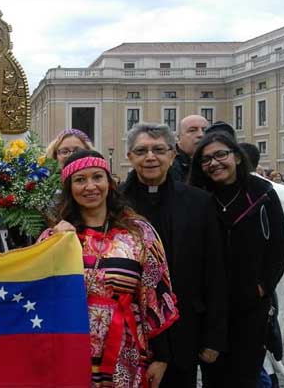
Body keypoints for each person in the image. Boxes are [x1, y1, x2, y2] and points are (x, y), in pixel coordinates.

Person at [39, 150, 178, 388]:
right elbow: (39, 293)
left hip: (125, 348)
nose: (90, 186)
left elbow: (156, 292)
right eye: (80, 180)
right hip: (69, 346)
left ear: (109, 183)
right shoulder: (55, 237)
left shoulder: (138, 232)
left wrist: (162, 357)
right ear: (69, 189)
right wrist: (55, 245)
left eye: (97, 177)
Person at [120, 123, 227, 388]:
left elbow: (214, 270)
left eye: (158, 149)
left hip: (184, 328)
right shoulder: (113, 203)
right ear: (129, 156)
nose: (150, 157)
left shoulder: (199, 202)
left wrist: (214, 336)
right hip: (128, 330)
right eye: (141, 150)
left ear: (172, 155)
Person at [189, 133, 284, 387]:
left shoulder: (262, 193)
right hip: (210, 306)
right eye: (206, 159)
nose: (214, 163)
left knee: (246, 375)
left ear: (236, 156)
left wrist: (263, 286)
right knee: (214, 375)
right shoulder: (198, 196)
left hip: (250, 305)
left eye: (220, 154)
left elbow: (279, 246)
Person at [240, 142, 284, 388]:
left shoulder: (255, 191)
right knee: (274, 322)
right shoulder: (279, 191)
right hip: (274, 272)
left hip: (258, 276)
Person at [170, 115, 208, 181]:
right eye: (192, 130)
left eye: (205, 130)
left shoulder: (216, 162)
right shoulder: (169, 164)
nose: (201, 134)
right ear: (179, 137)